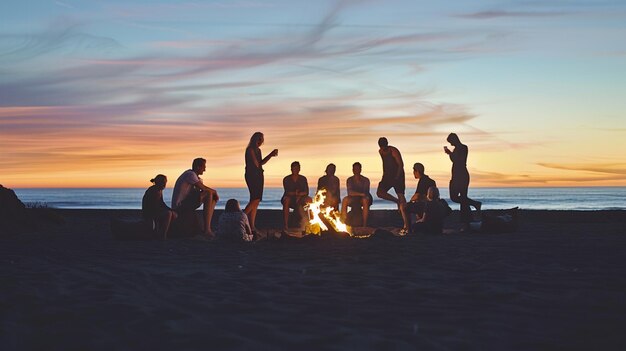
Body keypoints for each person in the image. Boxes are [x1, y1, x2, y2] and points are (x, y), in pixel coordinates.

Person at [171, 158, 219, 237]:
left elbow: (198, 191)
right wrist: (215, 192)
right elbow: (203, 188)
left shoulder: (195, 177)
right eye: (204, 167)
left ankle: (207, 227)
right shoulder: (190, 174)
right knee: (208, 193)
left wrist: (213, 194)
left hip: (186, 203)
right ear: (198, 167)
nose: (204, 170)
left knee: (211, 195)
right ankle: (207, 229)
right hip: (180, 206)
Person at [243, 132, 278, 235]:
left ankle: (252, 226)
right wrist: (270, 154)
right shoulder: (250, 150)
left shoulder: (258, 150)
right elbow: (257, 164)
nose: (260, 141)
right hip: (252, 175)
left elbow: (261, 163)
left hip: (259, 175)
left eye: (261, 139)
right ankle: (241, 217)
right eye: (259, 139)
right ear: (254, 139)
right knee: (255, 199)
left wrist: (271, 155)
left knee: (256, 200)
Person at [444, 133, 481, 230]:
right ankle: (475, 205)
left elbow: (458, 160)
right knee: (457, 198)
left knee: (462, 199)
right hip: (456, 175)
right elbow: (454, 160)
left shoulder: (463, 148)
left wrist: (450, 153)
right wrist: (450, 153)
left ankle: (466, 223)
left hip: (462, 175)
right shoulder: (456, 149)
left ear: (454, 140)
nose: (451, 144)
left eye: (451, 142)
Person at [376, 137, 410, 235]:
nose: (383, 149)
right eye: (382, 147)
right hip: (387, 176)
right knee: (379, 192)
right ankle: (397, 201)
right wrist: (385, 176)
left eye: (384, 147)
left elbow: (400, 164)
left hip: (398, 176)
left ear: (387, 144)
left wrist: (397, 177)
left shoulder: (393, 150)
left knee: (401, 197)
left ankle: (406, 225)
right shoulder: (380, 151)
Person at [142, 174, 177, 239]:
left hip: (155, 211)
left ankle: (167, 232)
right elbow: (152, 206)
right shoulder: (153, 190)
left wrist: (171, 210)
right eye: (162, 182)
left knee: (173, 213)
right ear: (158, 182)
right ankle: (163, 235)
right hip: (149, 213)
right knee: (168, 214)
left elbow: (162, 203)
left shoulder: (159, 190)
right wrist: (168, 211)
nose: (164, 184)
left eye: (165, 183)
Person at [281, 161, 311, 233]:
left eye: (297, 168)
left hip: (301, 198)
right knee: (286, 200)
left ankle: (309, 223)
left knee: (309, 200)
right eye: (294, 168)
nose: (296, 170)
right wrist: (295, 194)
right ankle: (286, 225)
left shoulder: (303, 178)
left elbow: (306, 192)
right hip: (290, 198)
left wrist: (299, 195)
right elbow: (287, 192)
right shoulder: (286, 179)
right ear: (291, 169)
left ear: (299, 169)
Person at [341, 162, 373, 227]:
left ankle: (364, 224)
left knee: (365, 200)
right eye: (354, 169)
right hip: (354, 198)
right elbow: (350, 192)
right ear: (352, 170)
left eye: (358, 169)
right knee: (345, 200)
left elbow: (365, 193)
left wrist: (358, 194)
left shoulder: (365, 180)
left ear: (360, 169)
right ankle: (343, 222)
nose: (356, 170)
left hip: (363, 198)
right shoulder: (349, 180)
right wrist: (360, 194)